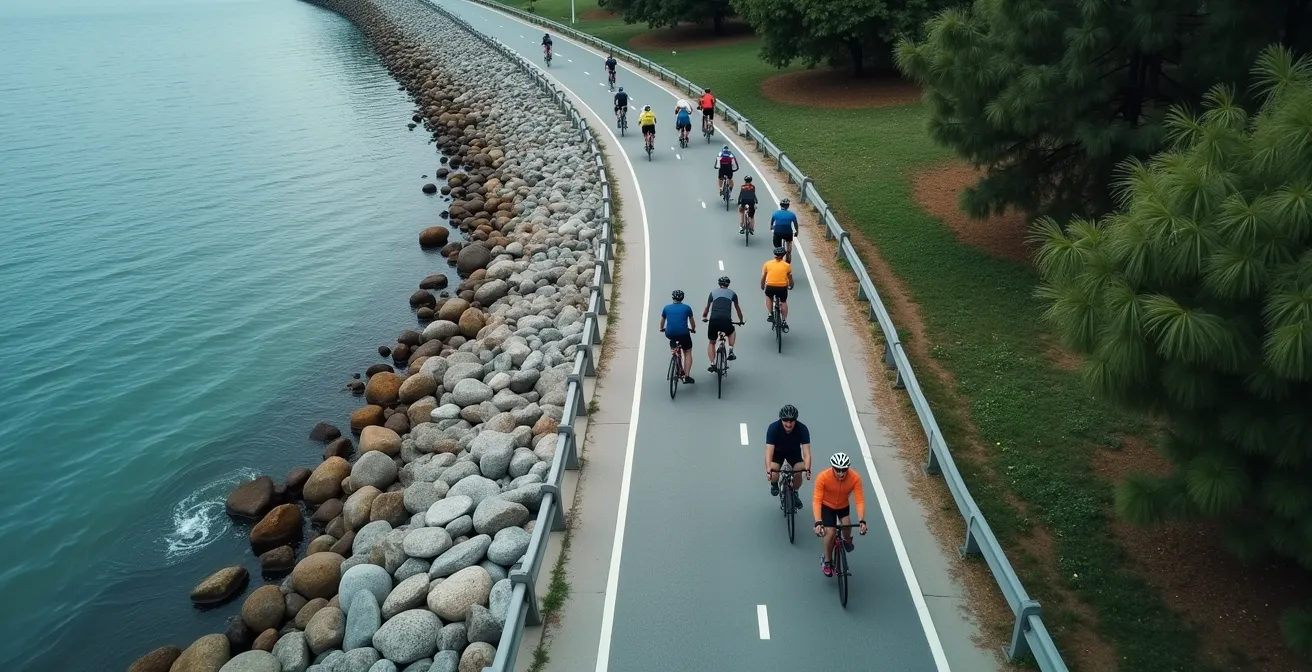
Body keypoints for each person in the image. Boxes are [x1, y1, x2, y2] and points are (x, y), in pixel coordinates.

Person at [812, 452, 867, 577]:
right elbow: (816, 500)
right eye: (837, 470)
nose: (841, 473)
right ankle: (827, 561)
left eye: (844, 470)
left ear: (848, 468)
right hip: (826, 506)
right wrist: (818, 521)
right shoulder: (823, 477)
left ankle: (847, 540)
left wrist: (862, 521)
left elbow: (859, 500)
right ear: (832, 467)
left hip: (842, 506)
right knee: (830, 532)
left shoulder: (855, 478)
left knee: (847, 525)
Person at [765, 404, 811, 511]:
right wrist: (768, 469)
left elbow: (807, 453)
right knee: (773, 470)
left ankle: (794, 492)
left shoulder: (802, 429)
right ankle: (774, 484)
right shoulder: (773, 428)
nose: (789, 424)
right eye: (786, 420)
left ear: (796, 420)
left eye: (792, 420)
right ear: (781, 419)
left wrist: (808, 468)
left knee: (799, 470)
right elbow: (769, 451)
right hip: (777, 454)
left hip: (794, 454)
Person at [701, 276, 744, 371]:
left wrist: (704, 317)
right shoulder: (732, 293)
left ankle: (712, 363)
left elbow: (707, 307)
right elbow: (738, 308)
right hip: (726, 320)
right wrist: (741, 320)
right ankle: (731, 350)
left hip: (713, 320)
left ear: (719, 284)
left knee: (712, 342)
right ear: (728, 284)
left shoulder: (713, 293)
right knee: (731, 331)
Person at [658, 289, 695, 384]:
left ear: (673, 297)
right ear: (682, 298)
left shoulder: (666, 308)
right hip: (684, 333)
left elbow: (662, 321)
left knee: (672, 339)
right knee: (687, 351)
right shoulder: (687, 308)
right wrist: (693, 329)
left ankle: (674, 350)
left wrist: (662, 328)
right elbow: (692, 322)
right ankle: (686, 376)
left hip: (670, 333)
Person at [760, 246, 793, 330]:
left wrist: (762, 285)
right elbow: (790, 278)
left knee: (768, 296)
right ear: (783, 255)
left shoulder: (767, 264)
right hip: (782, 287)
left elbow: (763, 277)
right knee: (783, 301)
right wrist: (791, 285)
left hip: (770, 286)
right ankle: (784, 320)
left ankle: (770, 314)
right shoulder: (787, 266)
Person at [770, 198, 799, 263]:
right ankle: (788, 254)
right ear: (788, 206)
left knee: (777, 246)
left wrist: (771, 227)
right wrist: (797, 231)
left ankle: (778, 254)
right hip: (788, 232)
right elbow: (795, 224)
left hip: (778, 232)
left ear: (780, 205)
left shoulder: (775, 213)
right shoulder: (792, 214)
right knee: (789, 244)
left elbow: (772, 223)